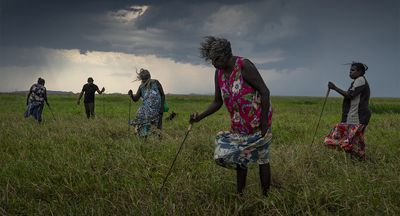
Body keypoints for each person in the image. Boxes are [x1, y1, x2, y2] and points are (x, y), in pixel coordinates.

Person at [189, 36, 273, 196]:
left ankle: (265, 197)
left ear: (227, 54)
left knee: (263, 159)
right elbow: (217, 102)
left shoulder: (244, 66)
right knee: (239, 159)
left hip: (258, 122)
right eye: (212, 60)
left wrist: (264, 125)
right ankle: (240, 194)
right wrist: (199, 117)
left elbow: (265, 91)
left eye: (217, 59)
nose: (214, 63)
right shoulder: (218, 73)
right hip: (239, 124)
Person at [325, 62, 371, 160]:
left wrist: (334, 88)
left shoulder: (360, 80)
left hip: (359, 116)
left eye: (353, 70)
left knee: (352, 140)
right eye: (350, 70)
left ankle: (359, 161)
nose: (350, 72)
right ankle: (357, 161)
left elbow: (350, 95)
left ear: (360, 72)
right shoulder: (357, 81)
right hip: (354, 116)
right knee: (353, 140)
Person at [128, 68, 165, 137]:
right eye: (143, 79)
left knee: (158, 127)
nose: (144, 81)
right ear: (141, 79)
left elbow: (162, 95)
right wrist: (131, 95)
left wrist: (162, 107)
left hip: (157, 109)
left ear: (149, 77)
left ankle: (159, 140)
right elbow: (136, 99)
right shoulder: (141, 87)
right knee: (143, 122)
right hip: (146, 111)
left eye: (146, 79)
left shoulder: (155, 82)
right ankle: (143, 137)